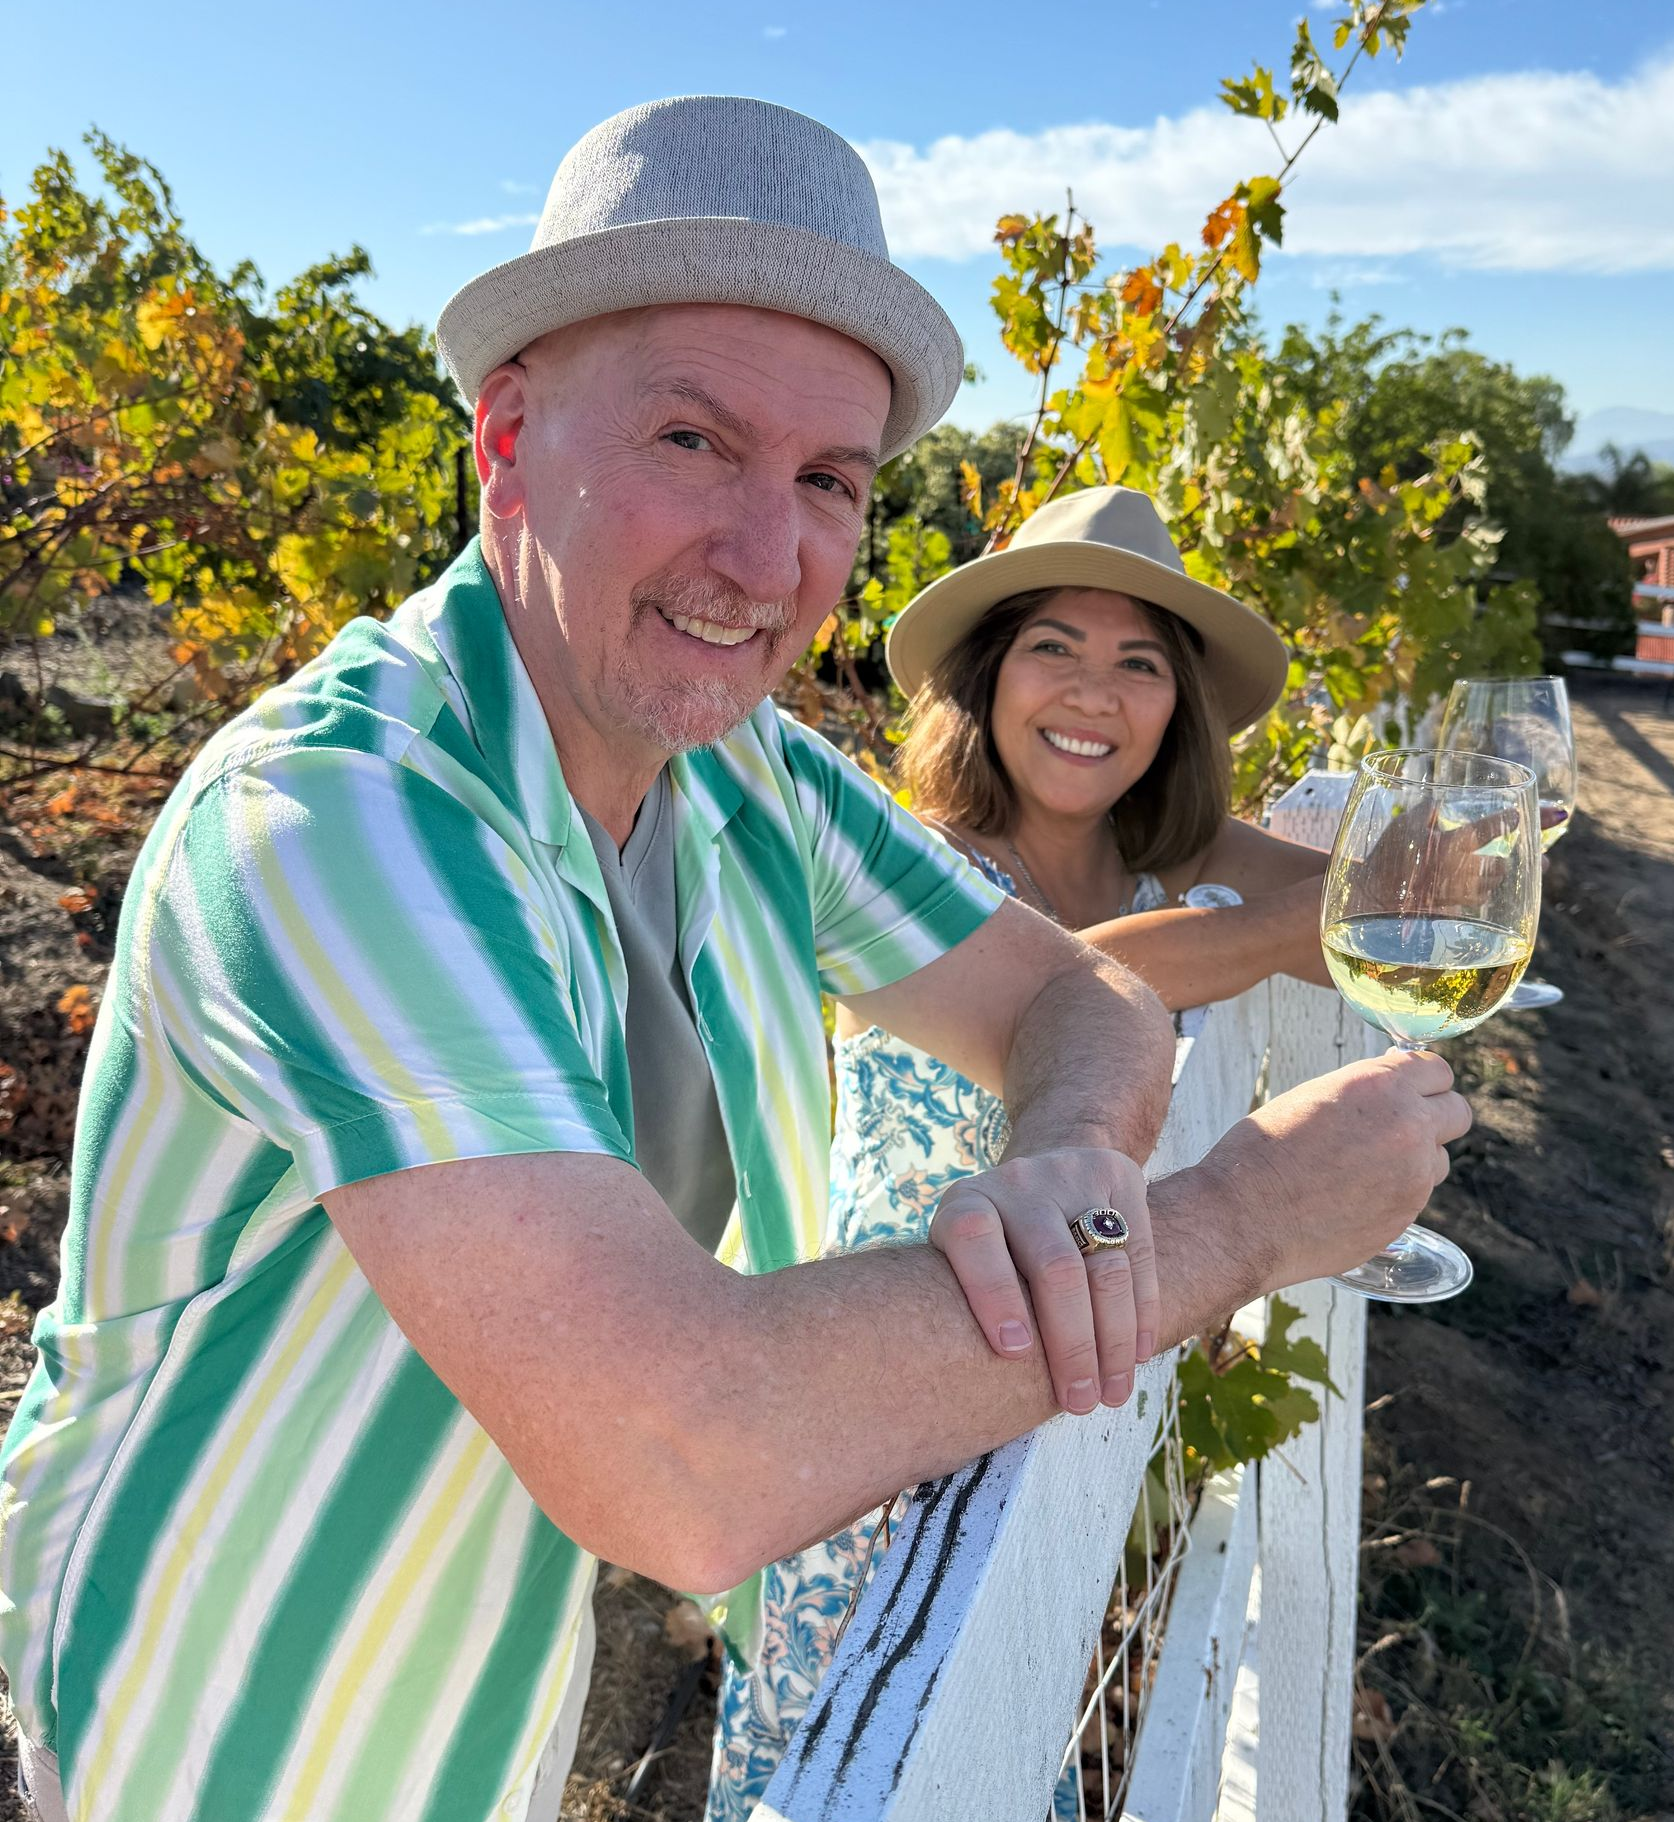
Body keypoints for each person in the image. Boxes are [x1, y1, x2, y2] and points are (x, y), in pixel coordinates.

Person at [0, 99, 1470, 1822]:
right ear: (508, 434)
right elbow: (681, 1449)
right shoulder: (345, 818)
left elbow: (1082, 990)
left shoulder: (739, 773)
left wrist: (1074, 1161)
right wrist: (1235, 1221)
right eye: (695, 439)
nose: (770, 561)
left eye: (830, 482)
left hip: (474, 1692)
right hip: (221, 1727)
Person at [708, 485, 1343, 1818]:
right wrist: (1312, 928)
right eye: (1056, 645)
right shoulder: (920, 873)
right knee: (863, 1770)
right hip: (879, 1427)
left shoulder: (1151, 856)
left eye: (1140, 664)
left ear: (1180, 708)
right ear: (990, 675)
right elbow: (1083, 980)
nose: (1094, 694)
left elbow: (1368, 886)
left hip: (1048, 1412)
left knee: (1001, 1743)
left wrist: (1447, 867)